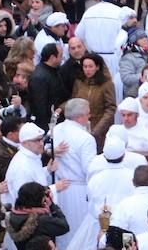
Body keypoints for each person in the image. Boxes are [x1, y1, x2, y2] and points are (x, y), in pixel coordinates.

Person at [50, 98, 96, 245]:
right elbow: (90, 169)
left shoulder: (56, 130)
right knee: (78, 233)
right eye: (88, 113)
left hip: (59, 188)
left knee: (63, 233)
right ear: (79, 117)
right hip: (79, 191)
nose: (90, 116)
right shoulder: (85, 138)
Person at [4, 182, 70, 250]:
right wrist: (52, 205)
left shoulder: (12, 216)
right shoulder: (41, 220)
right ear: (39, 199)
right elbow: (64, 227)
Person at [72, 52, 116, 150]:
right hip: (81, 126)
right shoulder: (79, 82)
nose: (87, 70)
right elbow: (74, 101)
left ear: (97, 67)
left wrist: (97, 130)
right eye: (85, 66)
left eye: (90, 66)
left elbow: (110, 108)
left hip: (99, 129)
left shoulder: (106, 84)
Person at [110, 165, 148, 236]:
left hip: (135, 246)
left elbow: (119, 232)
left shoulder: (124, 205)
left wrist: (130, 247)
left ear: (133, 182)